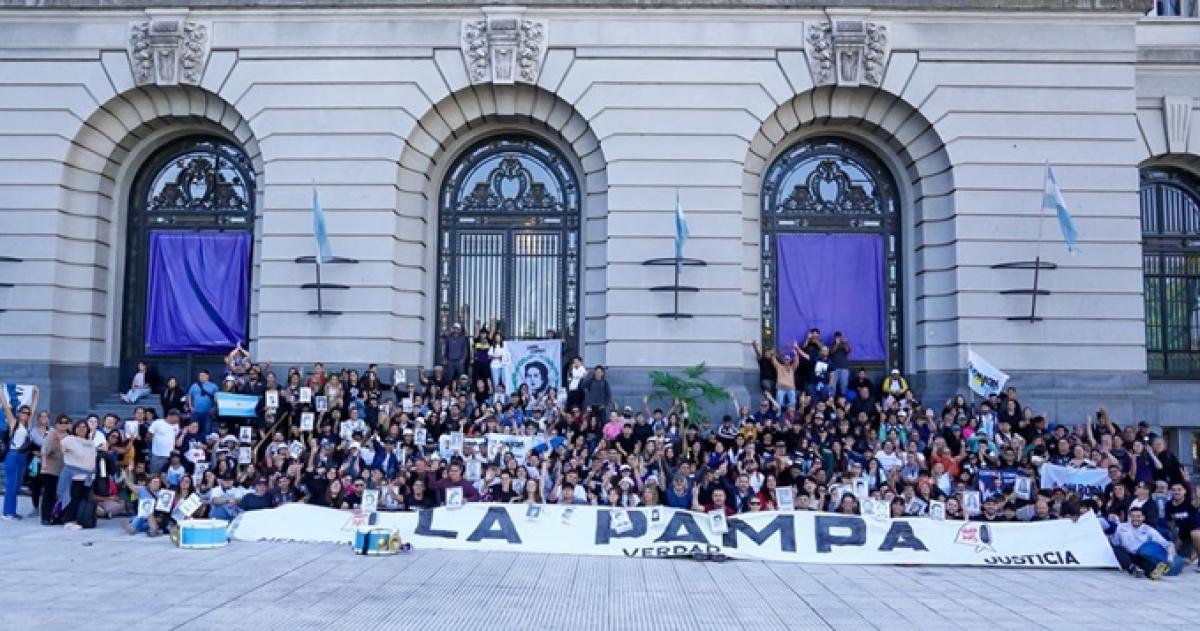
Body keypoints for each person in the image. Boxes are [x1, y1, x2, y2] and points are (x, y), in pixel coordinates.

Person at [1, 385, 38, 520]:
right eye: (23, 412)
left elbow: (33, 410)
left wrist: (36, 395)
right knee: (11, 484)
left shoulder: (28, 425)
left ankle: (12, 511)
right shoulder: (14, 422)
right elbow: (6, 407)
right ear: (18, 413)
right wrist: (1, 392)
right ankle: (7, 513)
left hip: (23, 456)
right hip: (13, 454)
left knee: (17, 485)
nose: (26, 414)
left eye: (27, 413)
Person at [1110, 506, 1176, 579]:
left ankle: (1154, 572)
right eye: (1133, 516)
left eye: (1138, 516)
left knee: (1147, 563)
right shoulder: (1121, 527)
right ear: (1129, 517)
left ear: (1143, 517)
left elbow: (1166, 543)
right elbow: (1115, 542)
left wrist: (1170, 557)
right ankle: (1133, 569)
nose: (1135, 519)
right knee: (1117, 549)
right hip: (1126, 555)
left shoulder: (1148, 530)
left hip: (1140, 556)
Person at [59, 420, 97, 531]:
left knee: (84, 499)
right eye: (79, 427)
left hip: (88, 476)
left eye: (84, 427)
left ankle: (81, 518)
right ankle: (69, 520)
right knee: (73, 498)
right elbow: (60, 449)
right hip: (74, 476)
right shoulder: (69, 440)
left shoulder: (90, 442)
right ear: (75, 429)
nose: (82, 429)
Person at [148, 409, 181, 474]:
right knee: (154, 474)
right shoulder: (157, 423)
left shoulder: (176, 426)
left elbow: (174, 438)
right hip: (158, 455)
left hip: (170, 456)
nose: (178, 419)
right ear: (170, 416)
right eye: (177, 417)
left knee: (166, 475)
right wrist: (157, 444)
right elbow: (149, 435)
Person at [187, 370, 219, 436]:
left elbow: (217, 399)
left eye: (203, 375)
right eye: (200, 376)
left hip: (208, 413)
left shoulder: (214, 386)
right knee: (194, 430)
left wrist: (214, 408)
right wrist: (190, 406)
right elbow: (189, 396)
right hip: (195, 412)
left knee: (207, 431)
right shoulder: (194, 385)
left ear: (208, 376)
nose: (201, 377)